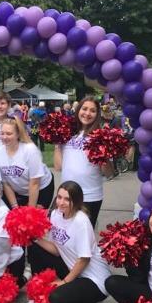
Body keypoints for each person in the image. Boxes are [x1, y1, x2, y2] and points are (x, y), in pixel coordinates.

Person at [16, 181, 111, 303]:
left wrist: (65, 281)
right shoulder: (56, 214)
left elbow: (84, 259)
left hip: (93, 278)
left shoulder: (81, 222)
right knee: (35, 246)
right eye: (59, 197)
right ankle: (36, 299)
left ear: (77, 201)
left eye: (67, 199)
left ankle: (92, 302)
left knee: (57, 299)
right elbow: (56, 250)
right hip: (71, 268)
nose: (61, 202)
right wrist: (35, 239)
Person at [54, 98, 114, 228]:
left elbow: (109, 173)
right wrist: (57, 144)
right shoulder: (67, 132)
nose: (87, 113)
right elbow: (58, 167)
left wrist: (103, 156)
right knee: (64, 236)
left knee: (83, 240)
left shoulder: (102, 136)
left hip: (90, 196)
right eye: (84, 109)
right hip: (66, 195)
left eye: (92, 111)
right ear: (78, 110)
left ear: (97, 115)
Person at [0, 117, 54, 209]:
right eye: (2, 133)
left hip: (41, 188)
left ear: (18, 134)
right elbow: (6, 183)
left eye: (9, 134)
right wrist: (14, 207)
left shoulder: (30, 150)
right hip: (20, 191)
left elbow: (35, 183)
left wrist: (30, 210)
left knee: (34, 219)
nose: (5, 137)